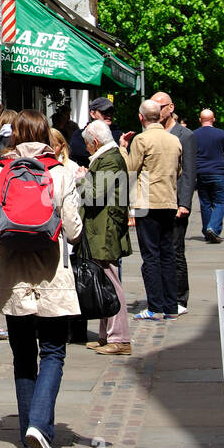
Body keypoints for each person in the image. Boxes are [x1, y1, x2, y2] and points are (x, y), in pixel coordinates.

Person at [0, 109, 83, 448]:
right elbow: (73, 231)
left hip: (12, 279)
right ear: (47, 135)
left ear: (13, 137)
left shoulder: (0, 172)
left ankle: (30, 427)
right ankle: (41, 428)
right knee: (54, 353)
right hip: (53, 278)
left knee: (23, 357)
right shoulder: (60, 173)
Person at [119, 99, 182, 320]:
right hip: (168, 200)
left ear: (141, 117)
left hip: (147, 202)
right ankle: (171, 306)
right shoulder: (174, 140)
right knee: (168, 254)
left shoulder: (142, 139)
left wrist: (123, 149)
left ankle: (155, 306)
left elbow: (130, 169)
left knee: (151, 256)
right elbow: (179, 170)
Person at [81, 120, 132, 354]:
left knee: (111, 281)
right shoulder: (106, 157)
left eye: (87, 144)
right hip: (100, 228)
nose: (86, 149)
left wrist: (79, 178)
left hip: (106, 229)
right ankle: (107, 336)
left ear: (95, 142)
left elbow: (93, 193)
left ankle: (120, 338)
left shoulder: (110, 158)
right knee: (103, 279)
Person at [150, 89, 197, 313]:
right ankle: (162, 296)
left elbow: (188, 172)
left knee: (175, 250)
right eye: (154, 107)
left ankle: (179, 298)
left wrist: (184, 203)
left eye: (161, 106)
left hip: (175, 201)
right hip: (155, 201)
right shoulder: (150, 132)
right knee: (157, 251)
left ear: (171, 108)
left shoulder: (185, 136)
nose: (157, 111)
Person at [192, 108, 224, 242]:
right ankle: (212, 228)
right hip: (218, 173)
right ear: (213, 119)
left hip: (201, 173)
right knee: (220, 202)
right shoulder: (221, 134)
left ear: (200, 120)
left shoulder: (194, 135)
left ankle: (208, 230)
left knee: (205, 203)